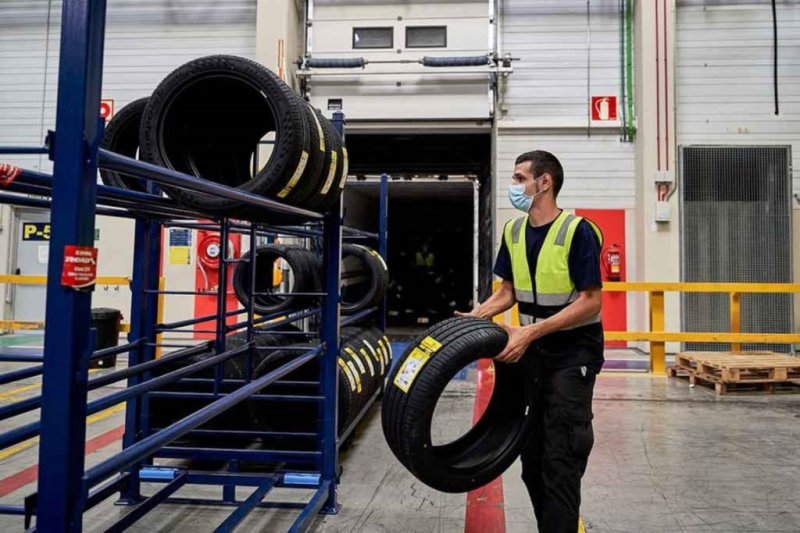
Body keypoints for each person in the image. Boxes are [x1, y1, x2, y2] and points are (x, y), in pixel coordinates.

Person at [456, 150, 604, 533]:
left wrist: (530, 332)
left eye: (521, 178)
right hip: (532, 354)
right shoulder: (514, 231)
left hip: (573, 353)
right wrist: (476, 317)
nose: (514, 185)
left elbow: (591, 302)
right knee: (531, 457)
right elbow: (507, 291)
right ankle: (561, 525)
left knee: (561, 454)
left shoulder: (577, 231)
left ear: (544, 183)